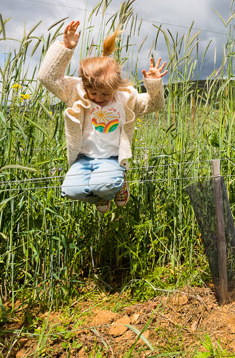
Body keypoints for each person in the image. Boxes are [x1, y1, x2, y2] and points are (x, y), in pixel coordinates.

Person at [38, 19, 166, 213]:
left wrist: (153, 84)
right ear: (85, 86)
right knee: (70, 191)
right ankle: (102, 194)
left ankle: (113, 186)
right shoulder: (76, 92)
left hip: (111, 159)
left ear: (116, 86)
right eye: (94, 93)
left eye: (105, 94)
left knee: (103, 185)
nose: (99, 98)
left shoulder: (126, 99)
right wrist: (66, 47)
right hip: (83, 158)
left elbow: (154, 104)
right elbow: (47, 78)